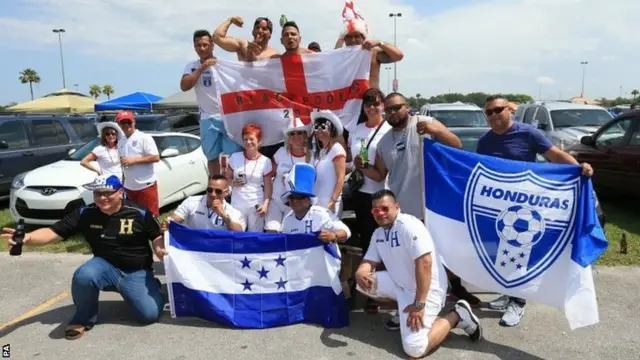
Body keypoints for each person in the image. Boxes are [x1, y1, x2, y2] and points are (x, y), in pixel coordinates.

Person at [1, 175, 166, 340]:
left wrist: (159, 250)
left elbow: (156, 235)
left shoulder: (139, 212)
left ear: (120, 192)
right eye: (98, 193)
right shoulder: (85, 213)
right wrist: (29, 238)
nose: (102, 198)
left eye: (108, 193)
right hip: (105, 265)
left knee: (149, 315)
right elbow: (54, 232)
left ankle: (152, 288)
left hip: (135, 270)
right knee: (84, 275)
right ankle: (83, 319)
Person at [478, 94, 594, 327]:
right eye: (488, 112)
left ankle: (518, 302)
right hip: (498, 207)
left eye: (498, 110)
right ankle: (507, 292)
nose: (493, 115)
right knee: (500, 251)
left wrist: (578, 168)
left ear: (509, 110)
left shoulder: (528, 133)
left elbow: (554, 155)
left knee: (520, 251)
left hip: (524, 206)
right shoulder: (484, 141)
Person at [369, 93, 480, 328]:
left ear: (406, 107)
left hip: (432, 208)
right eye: (387, 110)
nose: (392, 113)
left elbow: (456, 145)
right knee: (411, 262)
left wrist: (435, 130)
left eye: (396, 108)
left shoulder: (424, 123)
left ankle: (448, 300)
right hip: (404, 213)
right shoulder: (383, 142)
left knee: (440, 256)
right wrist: (363, 168)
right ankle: (415, 306)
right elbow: (380, 175)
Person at [355, 190, 482, 358]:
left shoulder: (409, 225)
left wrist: (419, 305)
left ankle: (457, 315)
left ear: (397, 207)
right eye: (375, 210)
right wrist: (361, 271)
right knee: (363, 284)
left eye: (385, 208)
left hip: (427, 289)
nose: (380, 213)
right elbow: (368, 262)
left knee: (415, 349)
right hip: (402, 286)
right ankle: (403, 311)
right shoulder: (378, 233)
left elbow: (425, 263)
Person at [347, 88, 392, 313]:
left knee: (385, 244)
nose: (372, 107)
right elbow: (350, 160)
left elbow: (382, 173)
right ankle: (370, 287)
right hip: (360, 193)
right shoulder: (356, 129)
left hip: (382, 193)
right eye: (368, 104)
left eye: (376, 103)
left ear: (383, 106)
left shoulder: (389, 129)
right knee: (367, 241)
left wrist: (363, 166)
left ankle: (384, 290)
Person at [180, 29, 242, 176]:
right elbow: (184, 86)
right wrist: (202, 68)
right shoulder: (192, 66)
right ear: (194, 46)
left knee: (234, 155)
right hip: (207, 117)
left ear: (212, 45)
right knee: (211, 156)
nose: (202, 48)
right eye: (198, 45)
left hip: (227, 117)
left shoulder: (223, 64)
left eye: (205, 45)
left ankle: (233, 186)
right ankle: (215, 184)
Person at [280, 163, 351, 243]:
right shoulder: (287, 221)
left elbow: (346, 231)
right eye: (291, 197)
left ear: (308, 200)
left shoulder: (321, 214)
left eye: (299, 197)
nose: (294, 200)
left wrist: (333, 236)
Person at [265, 117, 313, 233]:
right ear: (288, 137)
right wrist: (267, 199)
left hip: (296, 204)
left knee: (290, 235)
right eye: (292, 133)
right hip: (276, 201)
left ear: (305, 135)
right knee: (272, 232)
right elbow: (267, 175)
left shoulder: (312, 156)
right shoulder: (281, 152)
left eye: (299, 132)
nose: (296, 136)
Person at [225, 124, 275, 232]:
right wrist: (233, 182)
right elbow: (225, 180)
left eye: (251, 139)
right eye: (245, 139)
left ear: (259, 141)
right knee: (236, 233)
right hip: (237, 204)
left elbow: (268, 186)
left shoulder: (266, 161)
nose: (248, 142)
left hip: (256, 205)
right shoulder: (235, 157)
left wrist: (265, 205)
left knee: (255, 236)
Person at [334, 18, 403, 89]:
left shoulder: (373, 52)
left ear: (363, 38)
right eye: (349, 37)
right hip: (349, 98)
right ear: (344, 40)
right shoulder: (342, 55)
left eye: (357, 36)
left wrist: (379, 43)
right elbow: (332, 64)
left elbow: (398, 56)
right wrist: (340, 40)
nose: (353, 40)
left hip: (370, 97)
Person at [116, 111, 161, 216]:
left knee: (150, 215)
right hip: (129, 186)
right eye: (123, 123)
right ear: (119, 124)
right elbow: (123, 164)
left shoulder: (144, 137)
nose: (126, 125)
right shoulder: (121, 141)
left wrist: (133, 160)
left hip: (145, 185)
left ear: (134, 122)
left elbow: (156, 157)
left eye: (128, 122)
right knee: (134, 216)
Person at [164, 175, 246, 231]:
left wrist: (223, 215)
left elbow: (239, 232)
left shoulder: (233, 212)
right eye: (210, 190)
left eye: (218, 191)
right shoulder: (191, 202)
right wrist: (167, 223)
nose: (213, 194)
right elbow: (174, 220)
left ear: (226, 192)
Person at [310, 110, 347, 215]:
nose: (319, 130)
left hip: (330, 203)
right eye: (316, 127)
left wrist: (333, 201)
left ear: (331, 129)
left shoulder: (337, 149)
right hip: (318, 203)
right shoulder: (321, 151)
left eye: (323, 126)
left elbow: (341, 177)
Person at [212, 16, 280, 61]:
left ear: (270, 34)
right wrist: (231, 20)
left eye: (264, 29)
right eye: (257, 28)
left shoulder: (275, 56)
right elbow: (216, 38)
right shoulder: (243, 45)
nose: (260, 31)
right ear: (253, 31)